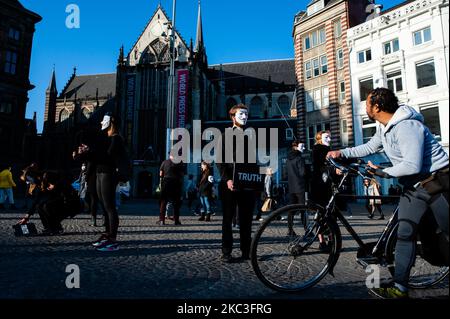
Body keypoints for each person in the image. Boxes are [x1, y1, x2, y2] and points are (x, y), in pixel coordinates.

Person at [328, 87, 449, 299]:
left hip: (438, 184)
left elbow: (411, 165)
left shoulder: (407, 126)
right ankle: (400, 288)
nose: (365, 107)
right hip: (414, 188)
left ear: (377, 106)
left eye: (367, 103)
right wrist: (343, 152)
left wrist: (383, 172)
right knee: (405, 233)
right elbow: (370, 147)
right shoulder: (384, 127)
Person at [216, 104, 257, 263]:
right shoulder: (225, 135)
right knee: (228, 218)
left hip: (247, 183)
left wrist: (257, 180)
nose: (245, 117)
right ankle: (226, 252)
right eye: (241, 114)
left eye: (246, 114)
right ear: (233, 117)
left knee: (246, 219)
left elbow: (253, 162)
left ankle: (246, 251)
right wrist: (227, 179)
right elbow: (220, 161)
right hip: (230, 183)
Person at [91, 113, 126, 252]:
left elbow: (108, 156)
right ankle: (107, 236)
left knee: (109, 206)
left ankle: (112, 239)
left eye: (103, 120)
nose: (101, 122)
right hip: (100, 172)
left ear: (111, 122)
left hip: (108, 174)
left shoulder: (116, 139)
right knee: (104, 206)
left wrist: (91, 152)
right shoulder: (107, 138)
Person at [159, 153, 185, 226]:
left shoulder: (164, 162)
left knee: (163, 202)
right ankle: (176, 221)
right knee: (176, 203)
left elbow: (161, 174)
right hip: (176, 183)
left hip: (166, 182)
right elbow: (182, 174)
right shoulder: (180, 162)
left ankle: (162, 221)